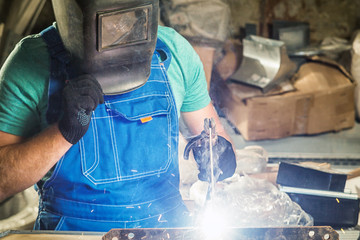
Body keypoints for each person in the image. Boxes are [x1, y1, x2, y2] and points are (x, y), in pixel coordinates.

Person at [0, 0, 236, 232]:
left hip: (166, 231)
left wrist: (219, 156)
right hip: (73, 235)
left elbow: (216, 137)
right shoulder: (29, 62)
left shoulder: (174, 50)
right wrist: (63, 133)